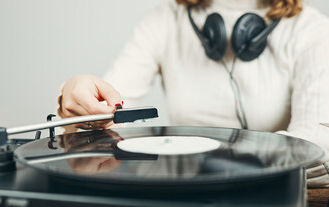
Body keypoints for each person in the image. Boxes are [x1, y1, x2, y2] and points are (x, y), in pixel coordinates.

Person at [58, 0, 329, 187]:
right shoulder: (166, 19)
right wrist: (80, 102)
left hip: (267, 199)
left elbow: (317, 146)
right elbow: (103, 107)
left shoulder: (311, 31)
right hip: (183, 197)